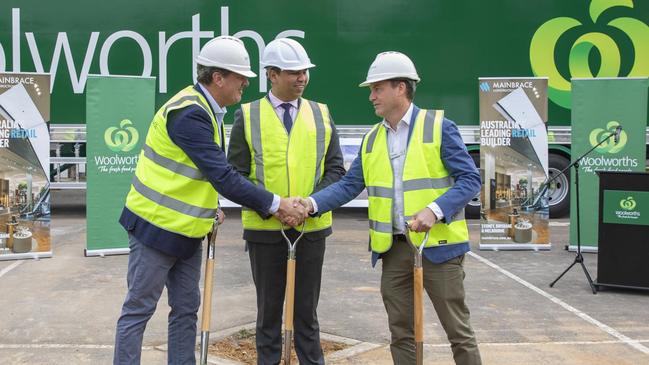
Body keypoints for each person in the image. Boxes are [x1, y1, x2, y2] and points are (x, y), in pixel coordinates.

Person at [113, 36, 306, 365]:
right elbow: (224, 176)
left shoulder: (207, 109)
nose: (246, 82)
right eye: (240, 76)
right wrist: (277, 204)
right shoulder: (190, 114)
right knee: (138, 310)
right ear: (218, 78)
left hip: (187, 231)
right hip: (154, 229)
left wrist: (208, 208)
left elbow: (194, 175)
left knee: (186, 310)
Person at [300, 51, 482, 365]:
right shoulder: (372, 139)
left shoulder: (438, 127)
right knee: (401, 332)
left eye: (377, 88)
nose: (371, 96)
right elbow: (348, 186)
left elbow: (469, 180)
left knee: (458, 332)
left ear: (401, 88)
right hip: (394, 250)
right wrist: (311, 204)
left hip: (438, 246)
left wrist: (434, 210)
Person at [227, 38, 345, 365]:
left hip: (312, 227)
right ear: (271, 74)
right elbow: (234, 176)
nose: (302, 78)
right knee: (268, 315)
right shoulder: (247, 116)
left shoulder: (321, 113)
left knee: (306, 314)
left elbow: (336, 169)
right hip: (265, 230)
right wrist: (273, 205)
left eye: (305, 71)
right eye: (293, 72)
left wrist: (309, 204)